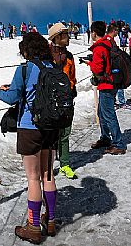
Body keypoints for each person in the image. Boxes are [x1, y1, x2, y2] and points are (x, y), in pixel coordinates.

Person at [0, 32, 58, 243]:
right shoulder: (53, 68)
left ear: (26, 50)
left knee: (33, 178)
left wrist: (1, 91)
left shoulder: (25, 69)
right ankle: (49, 221)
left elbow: (13, 96)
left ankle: (33, 227)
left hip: (30, 127)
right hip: (51, 127)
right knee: (48, 175)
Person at [84, 21, 126, 155]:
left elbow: (98, 68)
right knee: (102, 113)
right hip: (111, 82)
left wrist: (89, 62)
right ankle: (105, 138)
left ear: (94, 33)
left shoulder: (99, 47)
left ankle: (118, 143)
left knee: (108, 114)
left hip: (106, 84)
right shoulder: (107, 44)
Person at [48, 23, 77, 179]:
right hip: (51, 101)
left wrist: (71, 92)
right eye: (65, 34)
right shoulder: (47, 55)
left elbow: (72, 77)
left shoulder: (70, 56)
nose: (69, 37)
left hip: (66, 100)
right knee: (51, 135)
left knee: (65, 134)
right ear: (57, 37)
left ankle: (65, 164)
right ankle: (48, 166)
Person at [106, 24, 131, 110]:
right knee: (117, 83)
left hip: (115, 64)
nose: (118, 32)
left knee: (117, 83)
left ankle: (117, 102)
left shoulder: (111, 40)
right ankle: (119, 102)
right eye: (117, 30)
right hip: (113, 65)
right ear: (113, 31)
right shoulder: (108, 40)